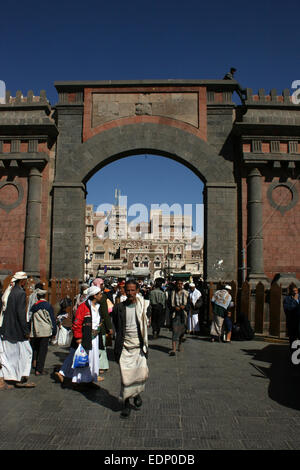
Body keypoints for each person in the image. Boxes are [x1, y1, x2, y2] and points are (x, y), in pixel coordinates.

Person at [112, 280, 149, 419]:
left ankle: (137, 394)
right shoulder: (119, 308)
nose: (130, 293)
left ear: (138, 291)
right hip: (124, 346)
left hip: (138, 345)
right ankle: (127, 404)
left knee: (140, 373)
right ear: (124, 291)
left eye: (133, 290)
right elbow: (116, 325)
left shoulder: (143, 306)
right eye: (128, 290)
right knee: (126, 377)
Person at [55, 286, 103, 390]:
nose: (101, 295)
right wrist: (78, 337)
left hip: (94, 338)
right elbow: (77, 323)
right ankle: (77, 381)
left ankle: (89, 379)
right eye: (99, 294)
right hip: (86, 337)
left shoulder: (97, 306)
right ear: (94, 295)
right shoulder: (84, 307)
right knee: (83, 360)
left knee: (92, 360)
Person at [0, 271, 35, 389]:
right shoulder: (20, 293)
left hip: (7, 329)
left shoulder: (10, 291)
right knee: (26, 353)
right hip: (16, 330)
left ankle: (10, 377)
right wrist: (26, 330)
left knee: (8, 355)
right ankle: (21, 378)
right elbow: (20, 314)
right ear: (22, 281)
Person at [30, 288, 57, 375]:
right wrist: (54, 331)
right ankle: (39, 369)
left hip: (36, 330)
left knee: (36, 348)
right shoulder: (48, 305)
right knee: (43, 350)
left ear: (37, 296)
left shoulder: (34, 306)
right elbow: (52, 319)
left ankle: (34, 363)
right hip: (45, 330)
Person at [169, 280, 189, 356]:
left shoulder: (186, 293)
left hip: (183, 314)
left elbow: (189, 305)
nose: (179, 285)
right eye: (178, 284)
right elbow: (169, 304)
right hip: (175, 314)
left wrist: (185, 307)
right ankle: (173, 349)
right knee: (174, 330)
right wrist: (174, 308)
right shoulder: (172, 293)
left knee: (182, 331)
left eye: (181, 284)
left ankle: (179, 345)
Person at [283, 285, 300, 350]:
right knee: (293, 340)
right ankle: (293, 355)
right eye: (294, 291)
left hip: (299, 322)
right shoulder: (287, 299)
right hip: (292, 322)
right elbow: (289, 309)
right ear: (290, 291)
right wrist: (294, 300)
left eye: (296, 290)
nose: (295, 292)